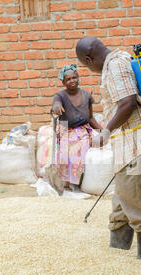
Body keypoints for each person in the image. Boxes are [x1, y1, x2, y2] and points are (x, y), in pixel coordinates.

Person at [75, 36, 141, 262]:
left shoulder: (115, 65)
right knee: (121, 202)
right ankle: (118, 254)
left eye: (86, 65)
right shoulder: (120, 59)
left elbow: (127, 102)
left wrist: (106, 130)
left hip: (138, 144)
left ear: (89, 59)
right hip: (129, 145)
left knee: (135, 200)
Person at [51, 64, 103, 192]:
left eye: (74, 77)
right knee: (64, 155)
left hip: (82, 130)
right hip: (66, 130)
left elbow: (90, 117)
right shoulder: (60, 96)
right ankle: (67, 182)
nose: (72, 81)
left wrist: (102, 130)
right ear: (63, 82)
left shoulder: (86, 95)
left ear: (78, 78)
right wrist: (56, 107)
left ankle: (77, 183)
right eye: (68, 79)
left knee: (80, 152)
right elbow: (55, 104)